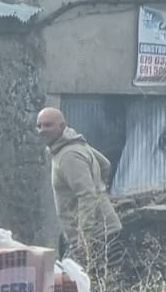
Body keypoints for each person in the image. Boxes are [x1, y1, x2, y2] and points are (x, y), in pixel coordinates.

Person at [35, 107, 122, 260]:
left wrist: (84, 238)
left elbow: (86, 195)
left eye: (48, 125)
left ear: (62, 126)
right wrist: (101, 189)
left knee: (79, 282)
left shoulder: (69, 156)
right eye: (39, 126)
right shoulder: (75, 144)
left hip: (96, 237)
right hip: (103, 232)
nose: (42, 130)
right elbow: (105, 164)